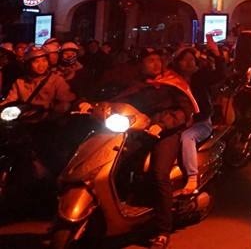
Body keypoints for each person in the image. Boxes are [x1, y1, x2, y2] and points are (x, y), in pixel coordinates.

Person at [98, 48, 198, 249]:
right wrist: (95, 105)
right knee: (116, 163)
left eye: (157, 60)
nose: (155, 64)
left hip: (167, 132)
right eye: (150, 60)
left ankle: (162, 230)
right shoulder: (137, 84)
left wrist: (162, 124)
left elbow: (184, 111)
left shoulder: (173, 82)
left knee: (159, 174)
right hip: (139, 131)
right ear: (141, 64)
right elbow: (117, 99)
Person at [171, 37, 226, 196]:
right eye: (184, 59)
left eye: (191, 59)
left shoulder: (200, 77)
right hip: (176, 123)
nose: (188, 63)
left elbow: (220, 74)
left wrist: (217, 54)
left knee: (187, 137)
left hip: (200, 123)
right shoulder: (172, 80)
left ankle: (192, 176)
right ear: (178, 63)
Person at [2, 45, 75, 115]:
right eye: (36, 62)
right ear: (28, 64)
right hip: (25, 117)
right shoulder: (20, 82)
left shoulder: (56, 80)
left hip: (47, 119)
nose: (41, 65)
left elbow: (67, 100)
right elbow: (10, 100)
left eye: (44, 60)